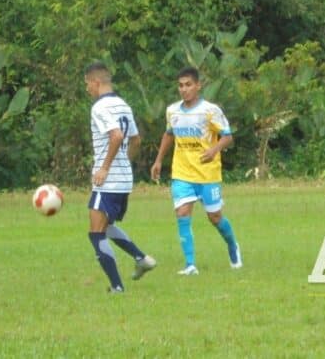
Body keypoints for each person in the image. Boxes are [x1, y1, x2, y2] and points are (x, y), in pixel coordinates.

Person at [150, 66, 241, 275]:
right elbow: (168, 134)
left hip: (208, 174)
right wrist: (158, 161)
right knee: (182, 213)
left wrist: (214, 150)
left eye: (188, 85)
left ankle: (233, 245)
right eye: (181, 86)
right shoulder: (172, 111)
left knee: (215, 218)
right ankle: (190, 265)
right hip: (182, 173)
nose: (184, 89)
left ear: (198, 86)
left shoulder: (210, 110)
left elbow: (227, 136)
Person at [84, 62, 157, 293]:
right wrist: (124, 162)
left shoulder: (100, 107)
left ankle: (117, 287)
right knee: (106, 228)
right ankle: (141, 258)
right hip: (123, 179)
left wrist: (105, 167)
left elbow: (116, 136)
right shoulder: (123, 104)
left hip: (108, 181)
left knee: (96, 233)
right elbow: (135, 140)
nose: (87, 89)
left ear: (96, 82)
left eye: (87, 84)